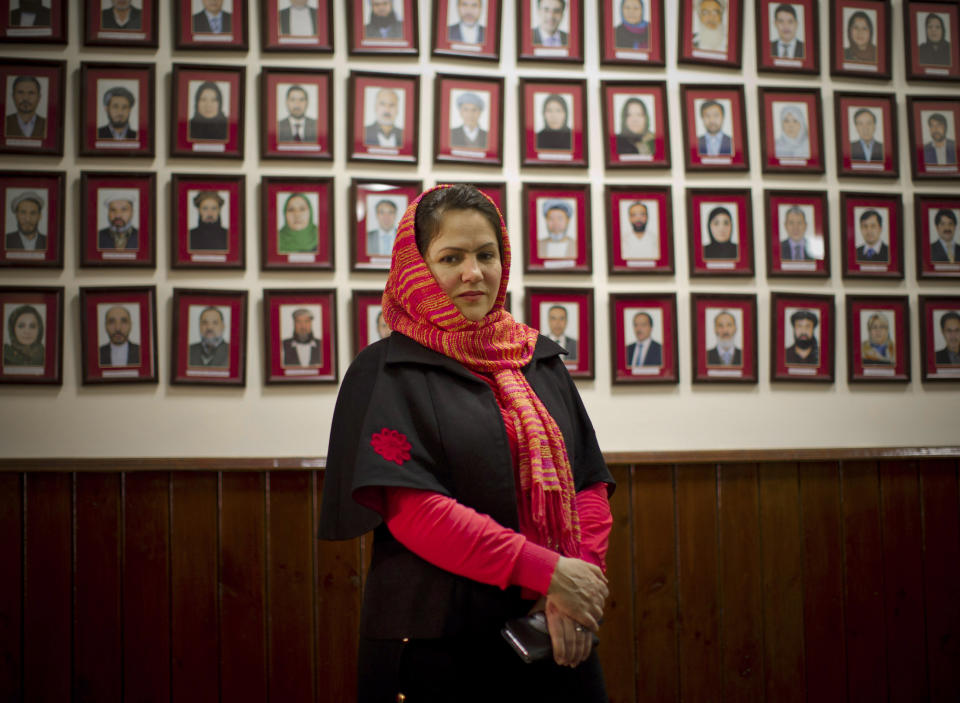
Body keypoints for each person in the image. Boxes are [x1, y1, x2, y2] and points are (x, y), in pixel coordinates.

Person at [319, 184, 614, 702]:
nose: (473, 273)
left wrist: (575, 590)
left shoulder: (537, 360)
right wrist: (551, 573)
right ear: (418, 267)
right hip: (439, 648)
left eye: (486, 254)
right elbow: (413, 507)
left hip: (552, 632)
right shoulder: (384, 370)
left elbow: (587, 482)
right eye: (451, 257)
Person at [5, 75, 46, 140]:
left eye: (31, 93)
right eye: (20, 92)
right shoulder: (4, 122)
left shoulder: (47, 125)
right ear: (13, 96)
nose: (25, 98)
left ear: (39, 97)